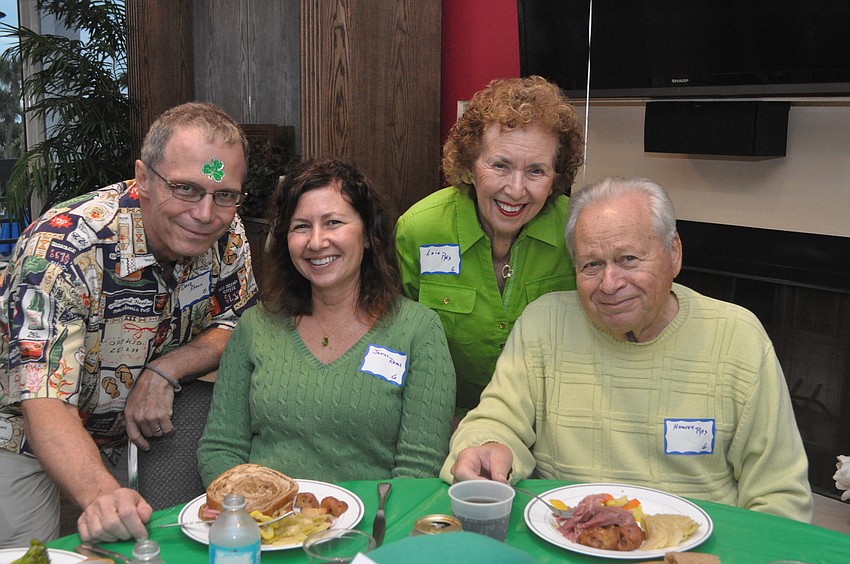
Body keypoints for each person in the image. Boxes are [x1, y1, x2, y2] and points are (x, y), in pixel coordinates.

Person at [442, 176, 813, 522]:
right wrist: (489, 444)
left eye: (628, 259)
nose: (609, 283)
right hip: (566, 543)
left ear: (674, 253)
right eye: (591, 264)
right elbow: (498, 417)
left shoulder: (737, 338)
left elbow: (778, 493)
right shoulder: (545, 323)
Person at [0, 101, 258, 546]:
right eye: (186, 189)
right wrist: (102, 494)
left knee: (129, 542)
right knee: (29, 552)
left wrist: (168, 368)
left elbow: (243, 324)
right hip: (21, 430)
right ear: (143, 178)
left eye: (225, 194)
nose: (205, 213)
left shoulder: (227, 238)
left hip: (119, 429)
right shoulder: (62, 250)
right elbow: (43, 397)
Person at [197, 158, 456, 483]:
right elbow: (221, 449)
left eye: (333, 223)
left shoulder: (418, 331)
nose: (317, 242)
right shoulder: (256, 328)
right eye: (301, 226)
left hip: (376, 528)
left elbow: (418, 469)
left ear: (367, 235)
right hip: (266, 524)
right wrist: (259, 514)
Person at [395, 75, 584, 414]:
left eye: (536, 171)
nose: (515, 189)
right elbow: (393, 341)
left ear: (557, 177)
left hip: (548, 418)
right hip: (445, 418)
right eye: (500, 165)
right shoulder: (419, 229)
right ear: (469, 165)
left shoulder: (579, 231)